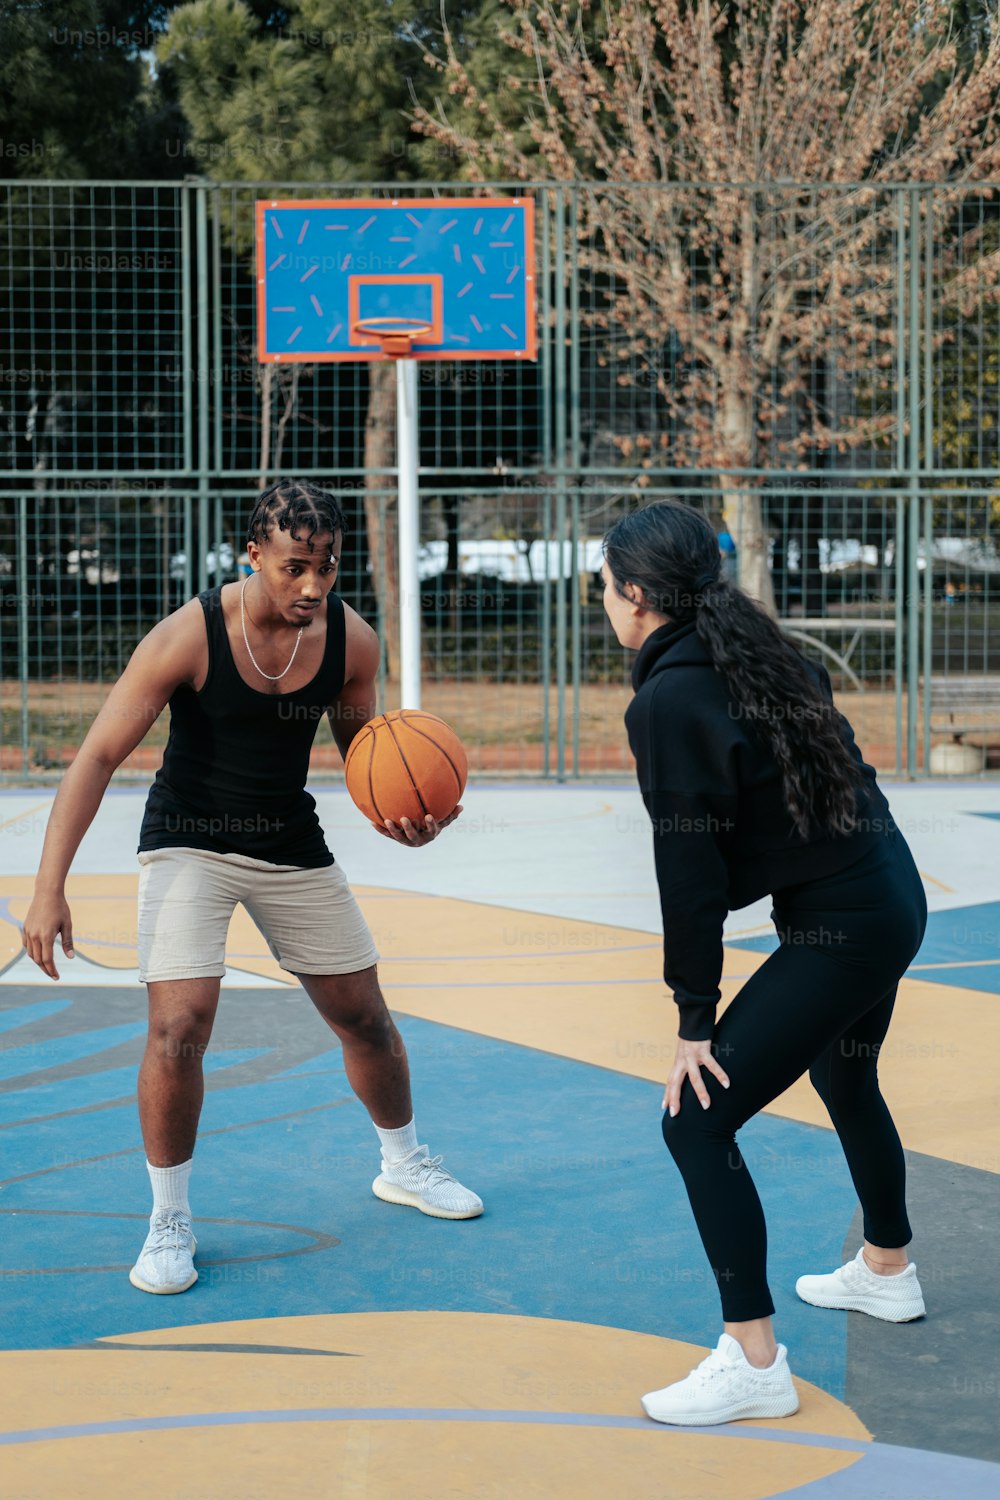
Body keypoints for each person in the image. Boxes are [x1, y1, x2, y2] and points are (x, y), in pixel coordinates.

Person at [21, 478, 482, 1297]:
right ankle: (169, 1220)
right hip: (189, 840)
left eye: (328, 568)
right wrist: (47, 888)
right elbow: (94, 757)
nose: (312, 586)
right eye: (294, 567)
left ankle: (404, 1163)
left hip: (287, 840)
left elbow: (366, 760)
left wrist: (409, 816)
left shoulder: (352, 644)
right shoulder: (188, 636)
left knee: (365, 1019)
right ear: (254, 557)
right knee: (180, 1028)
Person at [601, 500, 927, 1427]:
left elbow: (692, 868)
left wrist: (694, 1019)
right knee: (846, 1074)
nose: (605, 604)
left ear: (634, 596)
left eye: (606, 589)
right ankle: (887, 1271)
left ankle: (754, 1360)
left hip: (845, 923)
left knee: (694, 1124)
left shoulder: (669, 697)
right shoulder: (762, 650)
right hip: (889, 893)